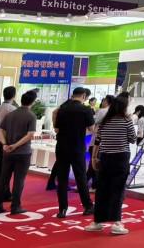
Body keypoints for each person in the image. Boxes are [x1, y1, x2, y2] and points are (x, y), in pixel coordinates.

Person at [85, 96, 136, 236]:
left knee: (102, 189)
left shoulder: (104, 121)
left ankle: (97, 221)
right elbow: (132, 139)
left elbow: (98, 140)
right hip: (121, 158)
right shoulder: (126, 121)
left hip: (105, 157)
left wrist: (94, 157)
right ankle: (117, 223)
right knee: (117, 190)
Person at [0, 90, 37, 215]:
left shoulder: (11, 114)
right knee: (19, 180)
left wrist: (5, 144)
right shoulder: (31, 116)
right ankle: (15, 206)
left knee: (3, 179)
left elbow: (0, 130)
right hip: (23, 153)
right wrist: (15, 145)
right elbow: (30, 135)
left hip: (8, 152)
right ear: (33, 102)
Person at [54, 87, 95, 218]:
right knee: (81, 177)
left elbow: (56, 128)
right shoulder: (85, 109)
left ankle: (62, 209)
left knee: (62, 178)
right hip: (77, 147)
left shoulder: (63, 108)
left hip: (62, 147)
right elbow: (92, 128)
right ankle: (88, 206)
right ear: (83, 96)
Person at [0, 86, 17, 202]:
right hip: (5, 141)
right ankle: (2, 194)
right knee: (4, 170)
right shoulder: (12, 109)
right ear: (14, 95)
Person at [87, 95, 114, 189]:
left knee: (94, 163)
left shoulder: (102, 111)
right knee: (95, 164)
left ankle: (93, 185)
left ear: (107, 101)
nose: (102, 102)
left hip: (97, 141)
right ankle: (89, 184)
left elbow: (93, 121)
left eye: (104, 100)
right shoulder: (114, 113)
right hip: (106, 142)